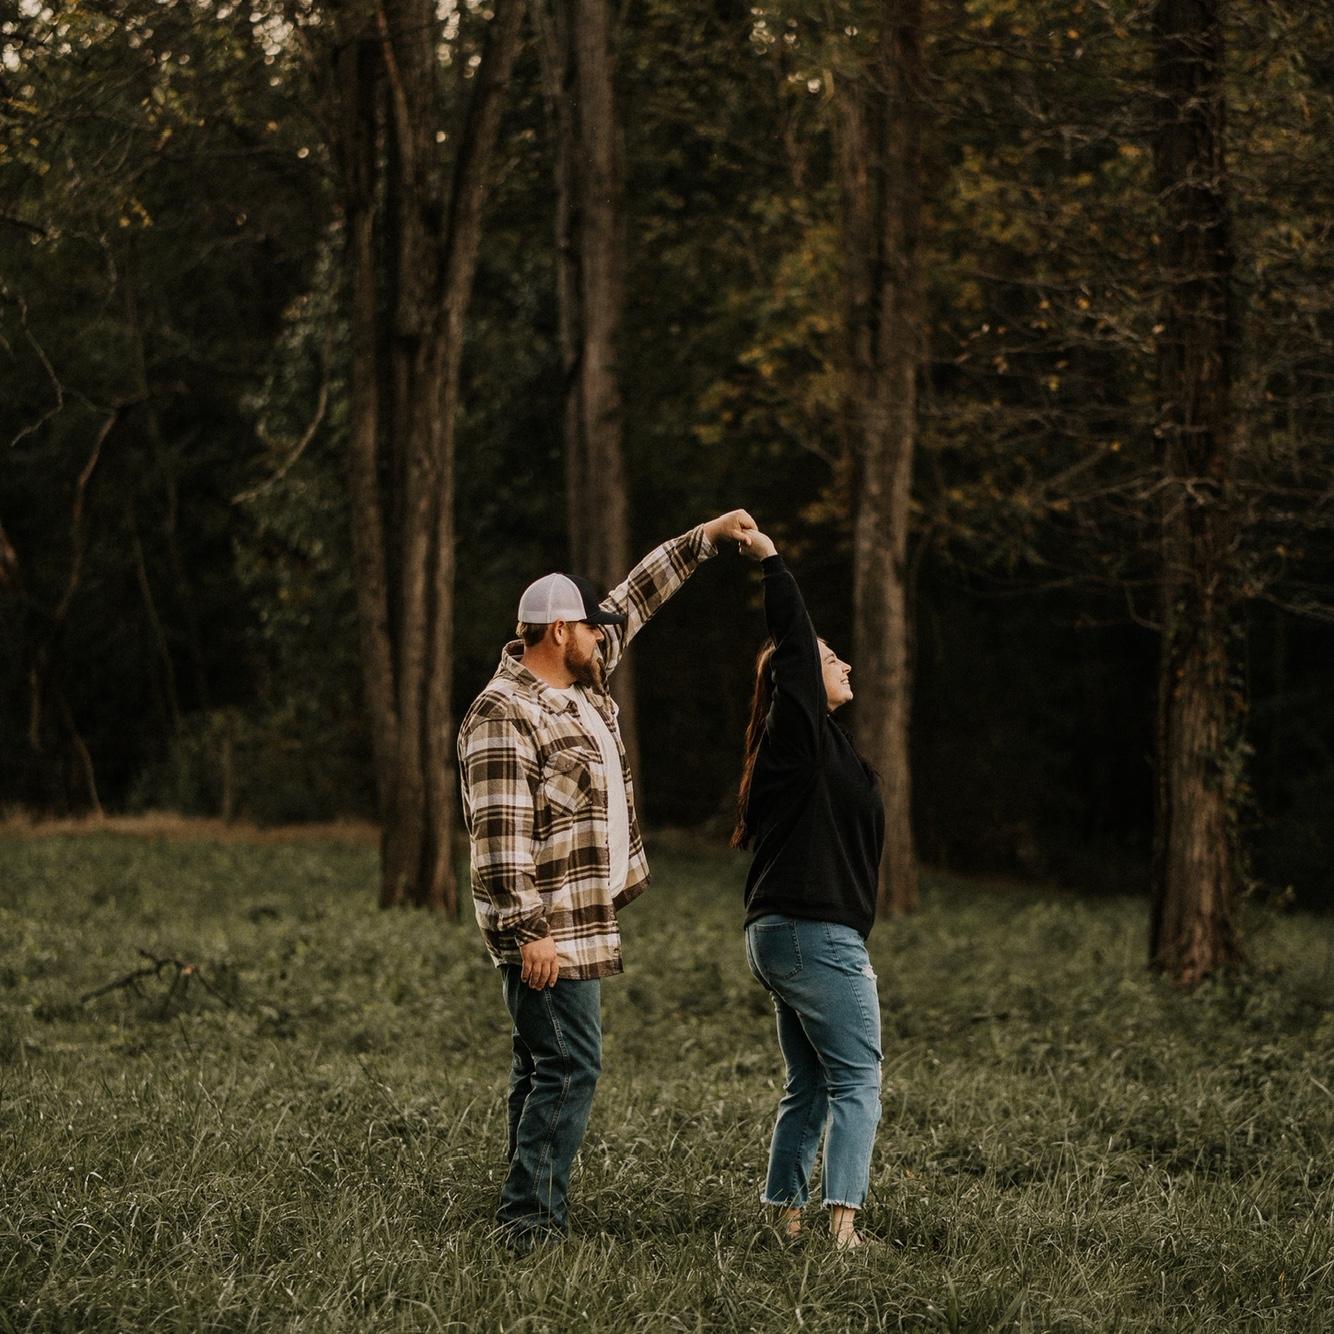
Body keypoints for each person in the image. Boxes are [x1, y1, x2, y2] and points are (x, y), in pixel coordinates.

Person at [458, 509, 758, 1254]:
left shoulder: (581, 683)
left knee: (543, 1064)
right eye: (593, 630)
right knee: (570, 1065)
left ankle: (524, 1200)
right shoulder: (504, 712)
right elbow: (498, 837)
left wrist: (707, 539)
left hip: (581, 918)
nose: (606, 638)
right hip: (548, 929)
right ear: (560, 630)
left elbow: (636, 598)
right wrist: (528, 931)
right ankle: (530, 1225)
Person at [733, 531, 886, 1250]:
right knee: (858, 1078)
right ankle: (844, 1234)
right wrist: (771, 559)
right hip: (811, 932)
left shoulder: (817, 745)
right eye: (829, 657)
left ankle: (786, 1221)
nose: (844, 662)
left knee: (814, 1084)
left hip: (787, 933)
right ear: (797, 675)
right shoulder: (795, 732)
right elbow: (793, 640)